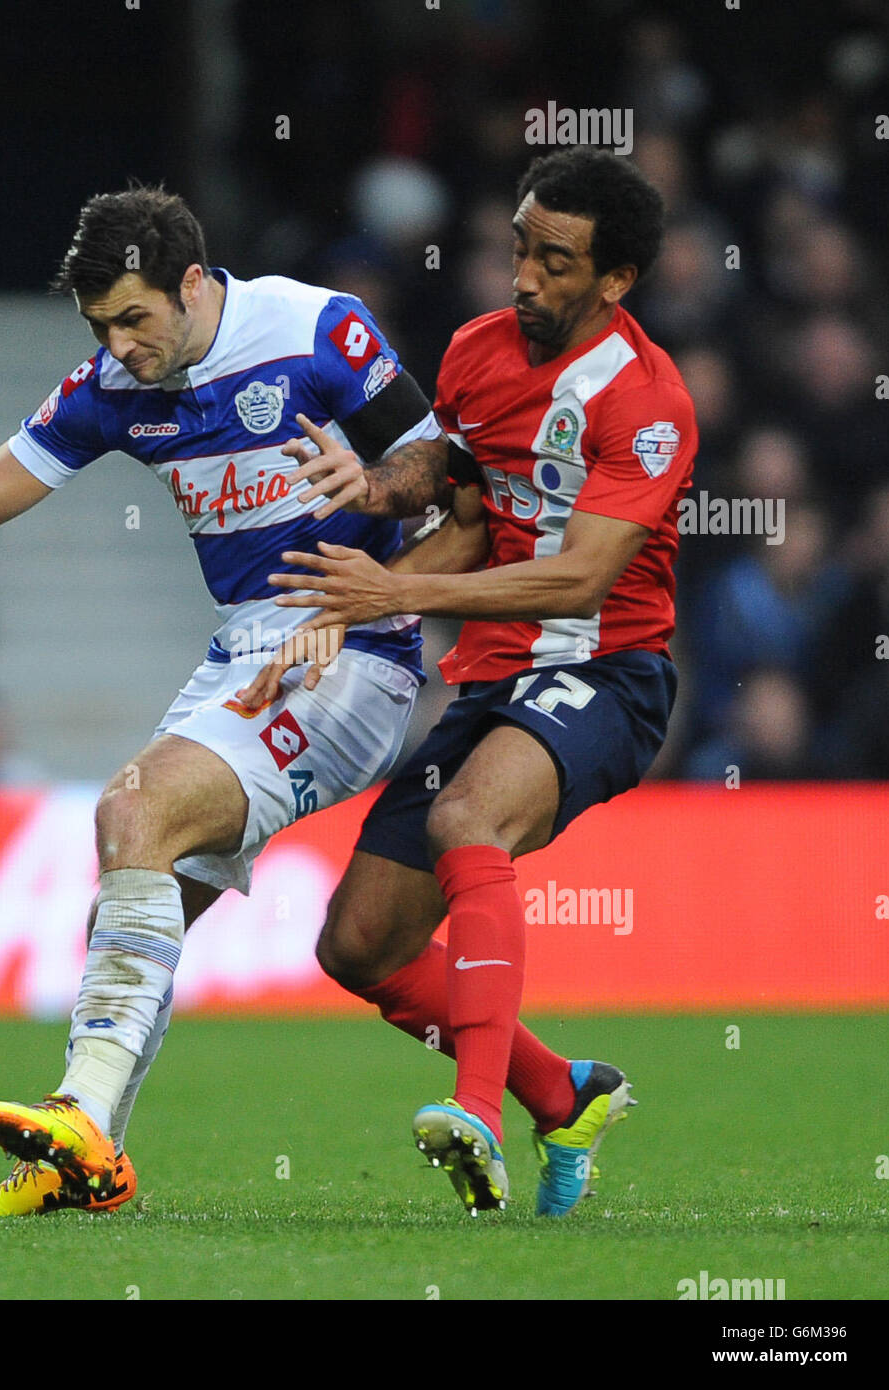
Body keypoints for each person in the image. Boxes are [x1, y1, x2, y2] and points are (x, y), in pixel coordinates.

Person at [0, 185, 451, 1217]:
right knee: (133, 891)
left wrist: (367, 585)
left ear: (195, 285)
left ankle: (76, 1109)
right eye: (99, 328)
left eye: (134, 319)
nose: (118, 347)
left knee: (131, 811)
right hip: (240, 650)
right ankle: (85, 1160)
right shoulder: (114, 385)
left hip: (353, 644)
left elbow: (450, 475)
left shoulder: (315, 330)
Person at [240, 148, 697, 1216]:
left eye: (552, 260)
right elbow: (464, 513)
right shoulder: (477, 350)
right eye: (516, 249)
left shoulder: (647, 402)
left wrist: (392, 593)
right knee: (357, 944)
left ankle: (477, 1113)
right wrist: (364, 588)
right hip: (495, 680)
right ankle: (561, 1092)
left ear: (614, 280)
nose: (522, 278)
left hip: (606, 672)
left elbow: (583, 572)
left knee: (464, 820)